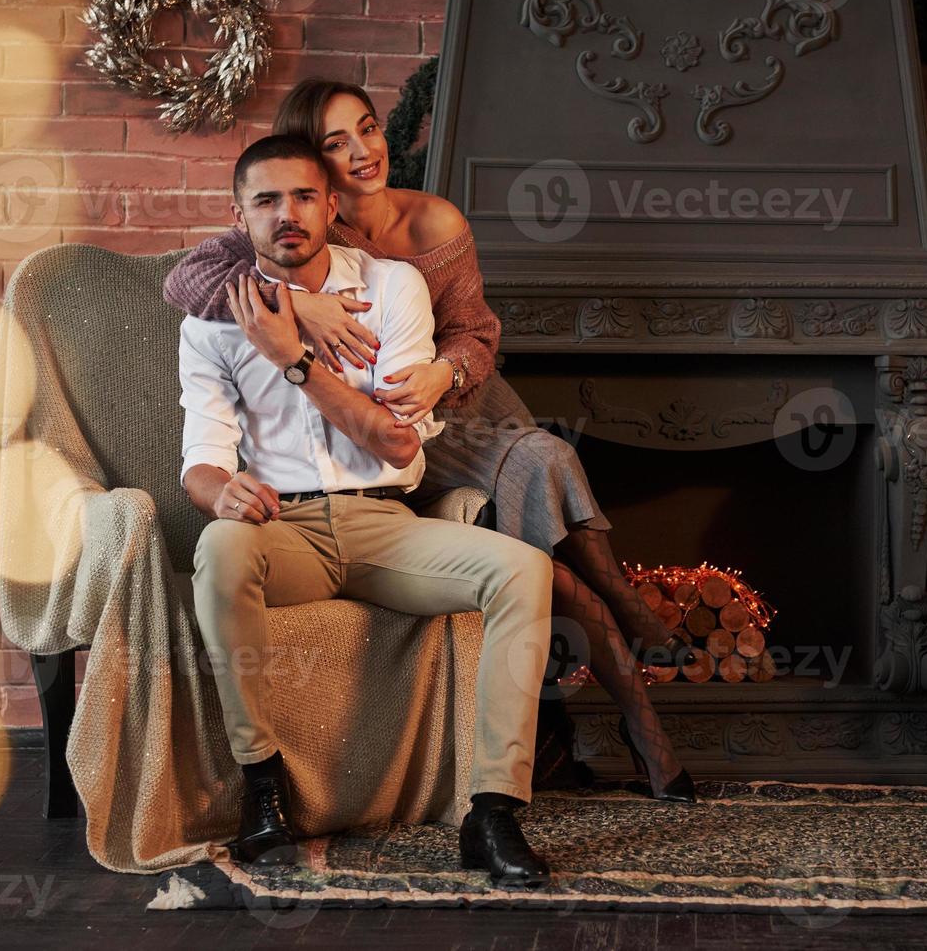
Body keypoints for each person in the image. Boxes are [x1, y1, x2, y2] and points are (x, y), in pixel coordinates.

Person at [164, 79, 695, 803]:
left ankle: (620, 620)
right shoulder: (286, 220)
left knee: (547, 458)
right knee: (534, 554)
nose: (362, 152)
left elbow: (475, 331)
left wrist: (445, 371)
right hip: (382, 426)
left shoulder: (431, 224)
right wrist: (301, 306)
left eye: (368, 129)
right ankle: (624, 707)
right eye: (334, 142)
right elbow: (186, 284)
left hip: (452, 396)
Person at [180, 133, 553, 887]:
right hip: (281, 530)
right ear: (238, 216)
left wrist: (295, 359)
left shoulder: (391, 287)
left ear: (329, 206)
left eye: (304, 196)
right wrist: (221, 491)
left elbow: (390, 442)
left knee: (523, 569)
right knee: (220, 544)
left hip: (386, 526)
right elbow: (202, 454)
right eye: (266, 200)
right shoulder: (210, 321)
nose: (287, 214)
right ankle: (263, 789)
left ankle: (492, 811)